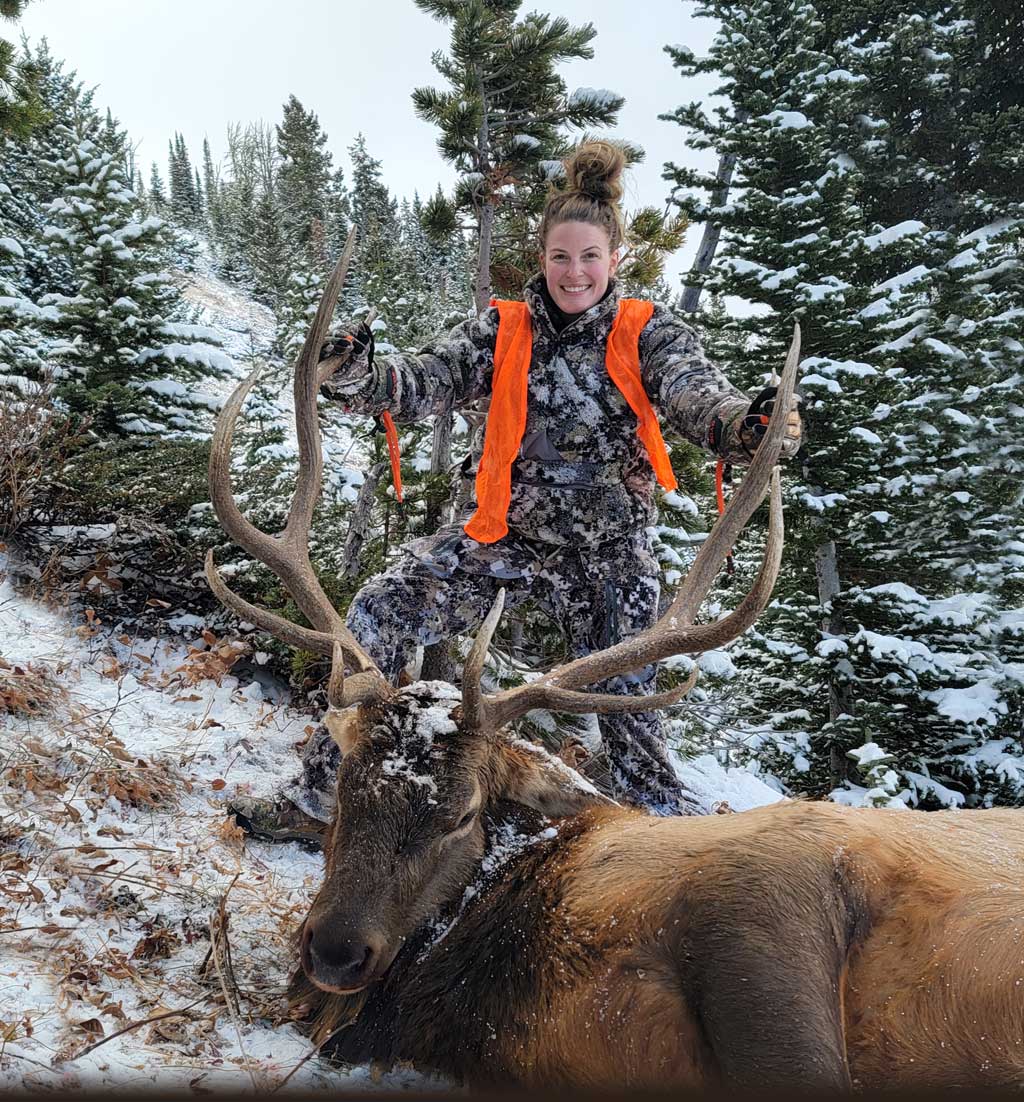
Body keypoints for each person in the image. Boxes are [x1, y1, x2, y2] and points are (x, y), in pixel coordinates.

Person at [230, 141, 801, 843]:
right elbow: (417, 383)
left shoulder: (647, 333)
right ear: (542, 258)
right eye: (561, 257)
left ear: (615, 259)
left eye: (590, 257)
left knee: (631, 703)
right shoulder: (501, 331)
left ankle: (670, 840)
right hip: (501, 537)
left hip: (609, 555)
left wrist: (749, 427)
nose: (575, 272)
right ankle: (320, 801)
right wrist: (350, 371)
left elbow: (698, 400)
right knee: (378, 613)